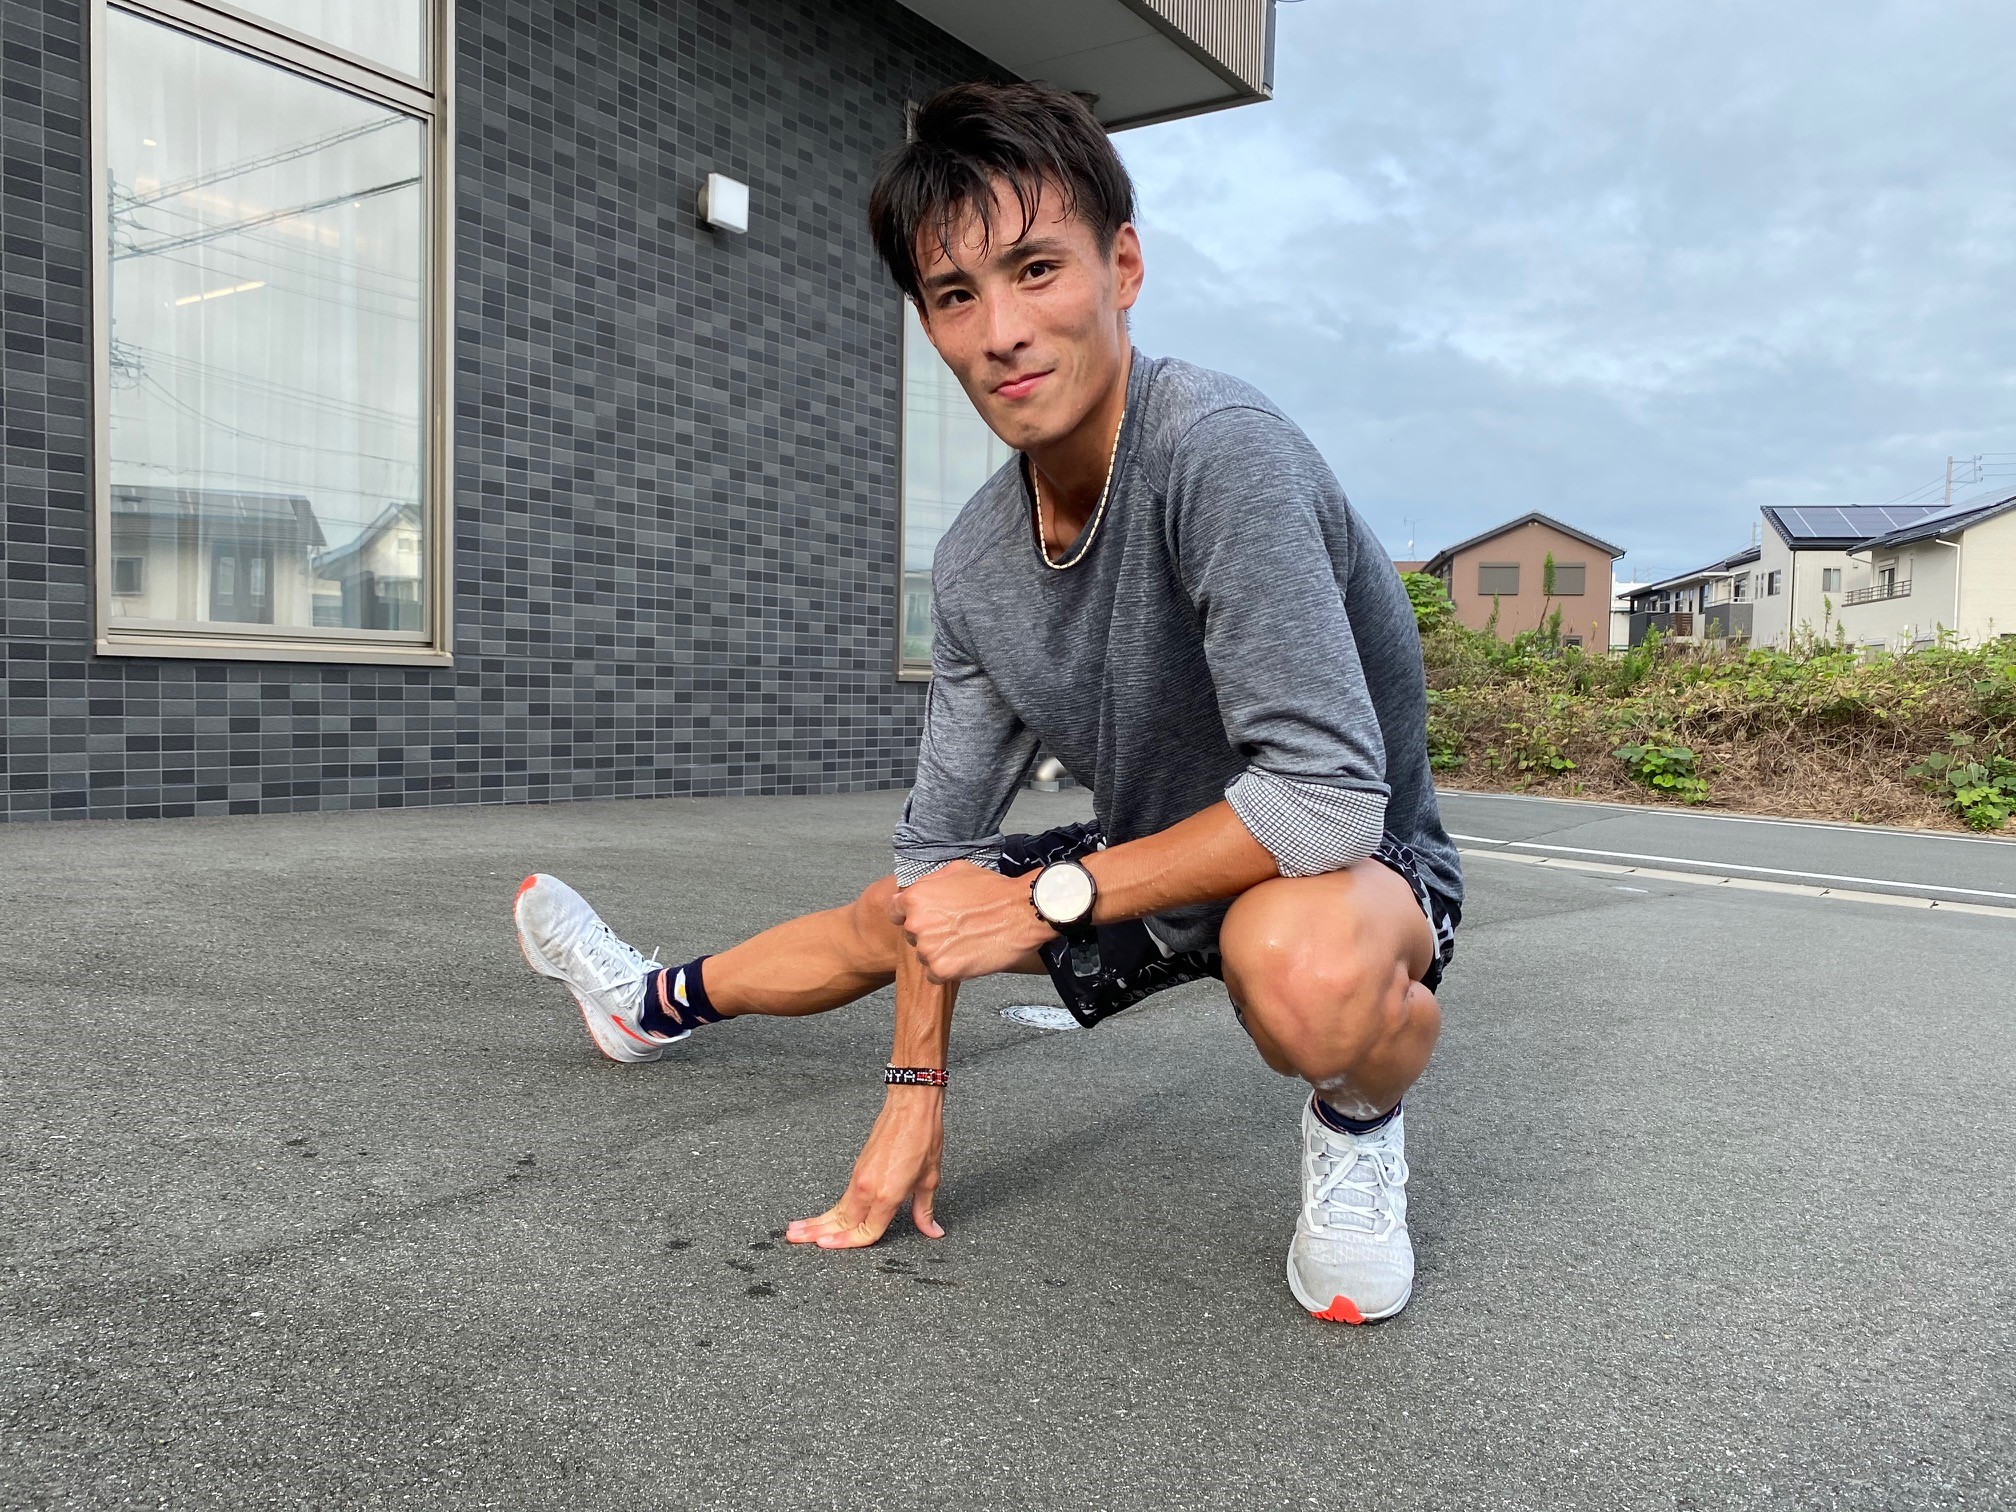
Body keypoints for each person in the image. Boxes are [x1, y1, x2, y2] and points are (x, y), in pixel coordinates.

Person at [515, 80, 1462, 1324]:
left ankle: (1358, 1123)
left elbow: (1326, 798)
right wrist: (915, 1087)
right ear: (929, 324)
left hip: (1352, 867)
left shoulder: (1220, 451)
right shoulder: (973, 565)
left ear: (1123, 267)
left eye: (1037, 269)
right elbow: (935, 864)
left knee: (1299, 963)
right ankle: (647, 1006)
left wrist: (1044, 898)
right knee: (893, 912)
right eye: (957, 295)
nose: (1003, 330)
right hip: (1160, 847)